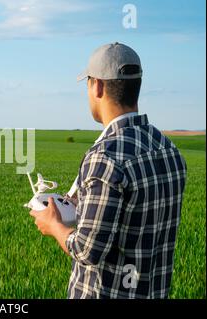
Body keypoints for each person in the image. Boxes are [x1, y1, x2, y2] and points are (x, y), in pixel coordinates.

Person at [29, 42, 187, 299]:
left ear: (98, 86)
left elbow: (87, 250)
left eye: (88, 83)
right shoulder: (168, 148)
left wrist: (53, 224)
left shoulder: (105, 157)